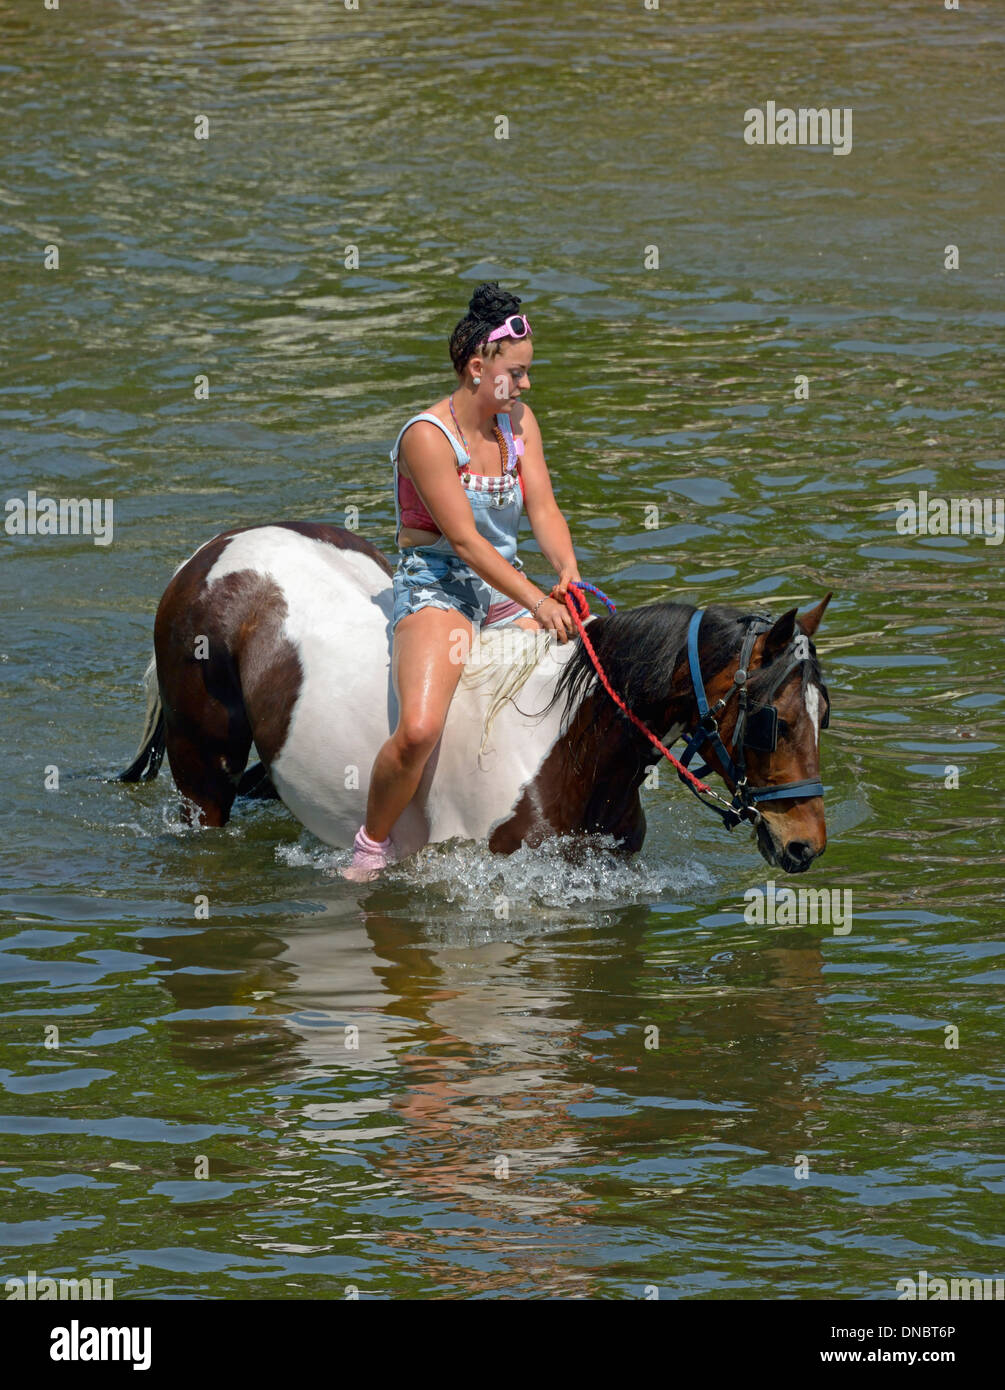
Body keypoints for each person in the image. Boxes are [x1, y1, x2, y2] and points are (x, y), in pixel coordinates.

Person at [340, 282, 582, 880]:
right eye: (517, 374)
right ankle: (370, 845)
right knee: (420, 729)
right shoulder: (427, 437)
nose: (525, 386)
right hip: (440, 584)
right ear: (480, 368)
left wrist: (567, 570)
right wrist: (535, 601)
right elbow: (469, 544)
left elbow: (544, 509)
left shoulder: (519, 422)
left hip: (507, 585)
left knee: (596, 672)